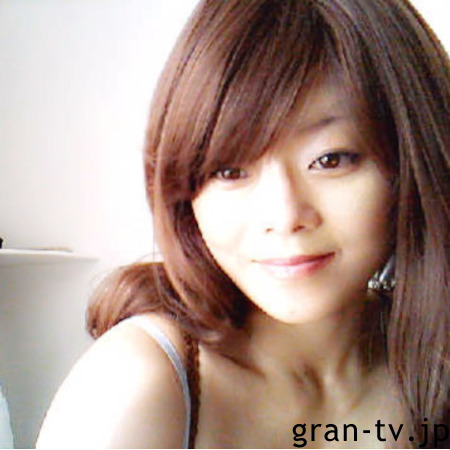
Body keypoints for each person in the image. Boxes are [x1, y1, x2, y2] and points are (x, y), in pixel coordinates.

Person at [37, 0, 450, 447]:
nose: (284, 217)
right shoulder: (132, 389)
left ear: (412, 161)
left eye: (331, 159)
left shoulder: (433, 357)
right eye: (230, 171)